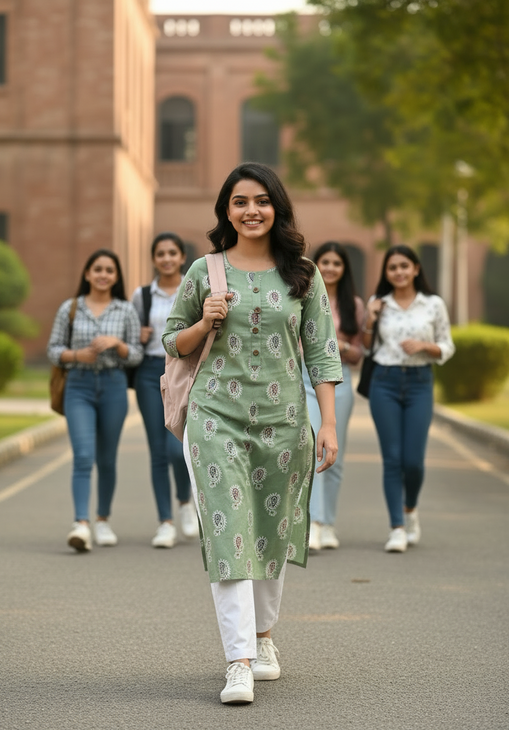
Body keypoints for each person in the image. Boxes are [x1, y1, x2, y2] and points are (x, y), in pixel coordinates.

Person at [162, 162, 343, 705]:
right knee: (227, 529)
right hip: (216, 417)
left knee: (269, 529)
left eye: (261, 201)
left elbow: (321, 351)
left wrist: (327, 422)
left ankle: (264, 639)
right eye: (239, 202)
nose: (251, 210)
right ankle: (237, 660)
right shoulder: (204, 271)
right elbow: (174, 341)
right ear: (226, 211)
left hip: (286, 422)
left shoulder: (303, 274)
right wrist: (205, 320)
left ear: (277, 208)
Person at [47, 249, 143, 552]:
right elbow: (53, 349)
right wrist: (77, 355)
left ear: (116, 277)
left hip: (114, 387)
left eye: (109, 271)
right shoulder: (70, 308)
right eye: (98, 269)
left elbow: (137, 356)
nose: (103, 275)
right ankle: (81, 524)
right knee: (83, 455)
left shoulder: (126, 310)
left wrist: (118, 344)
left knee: (107, 459)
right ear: (87, 274)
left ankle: (102, 520)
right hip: (79, 386)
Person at [363, 245, 455, 553]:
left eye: (404, 266)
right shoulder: (379, 303)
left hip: (419, 383)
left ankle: (411, 510)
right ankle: (396, 528)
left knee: (413, 461)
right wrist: (369, 320)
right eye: (392, 268)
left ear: (416, 268)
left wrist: (425, 347)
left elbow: (447, 345)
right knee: (392, 459)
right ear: (386, 273)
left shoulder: (433, 304)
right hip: (384, 383)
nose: (399, 272)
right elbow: (366, 348)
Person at [132, 233, 199, 548]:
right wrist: (140, 336)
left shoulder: (195, 287)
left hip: (184, 370)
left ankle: (185, 501)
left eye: (173, 252)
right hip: (150, 370)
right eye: (161, 253)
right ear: (154, 259)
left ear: (182, 256)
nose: (167, 258)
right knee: (158, 450)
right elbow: (131, 336)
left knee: (178, 446)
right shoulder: (142, 295)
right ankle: (165, 522)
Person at [305, 242, 365, 551]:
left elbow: (358, 353)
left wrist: (339, 346)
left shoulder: (353, 304)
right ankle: (312, 522)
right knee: (314, 449)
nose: (329, 268)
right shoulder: (301, 296)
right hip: (305, 381)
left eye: (336, 263)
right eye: (324, 261)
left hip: (340, 382)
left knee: (334, 455)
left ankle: (328, 523)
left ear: (344, 269)